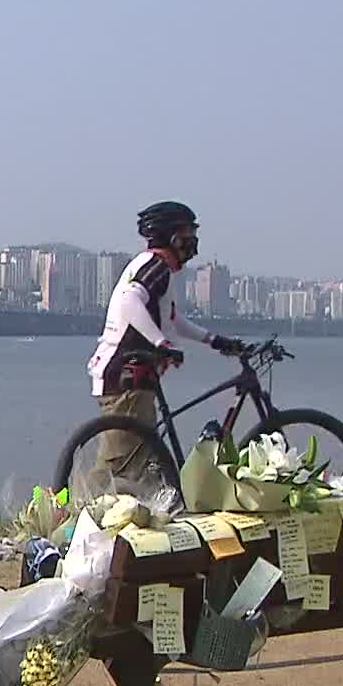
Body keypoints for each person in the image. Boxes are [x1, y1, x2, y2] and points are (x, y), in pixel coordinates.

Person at [86, 201, 246, 480]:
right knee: (119, 467)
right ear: (172, 237)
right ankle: (76, 513)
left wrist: (215, 340)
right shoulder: (155, 267)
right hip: (126, 377)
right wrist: (163, 344)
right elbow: (129, 300)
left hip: (134, 377)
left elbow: (172, 319)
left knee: (140, 460)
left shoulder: (156, 269)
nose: (193, 242)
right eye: (188, 233)